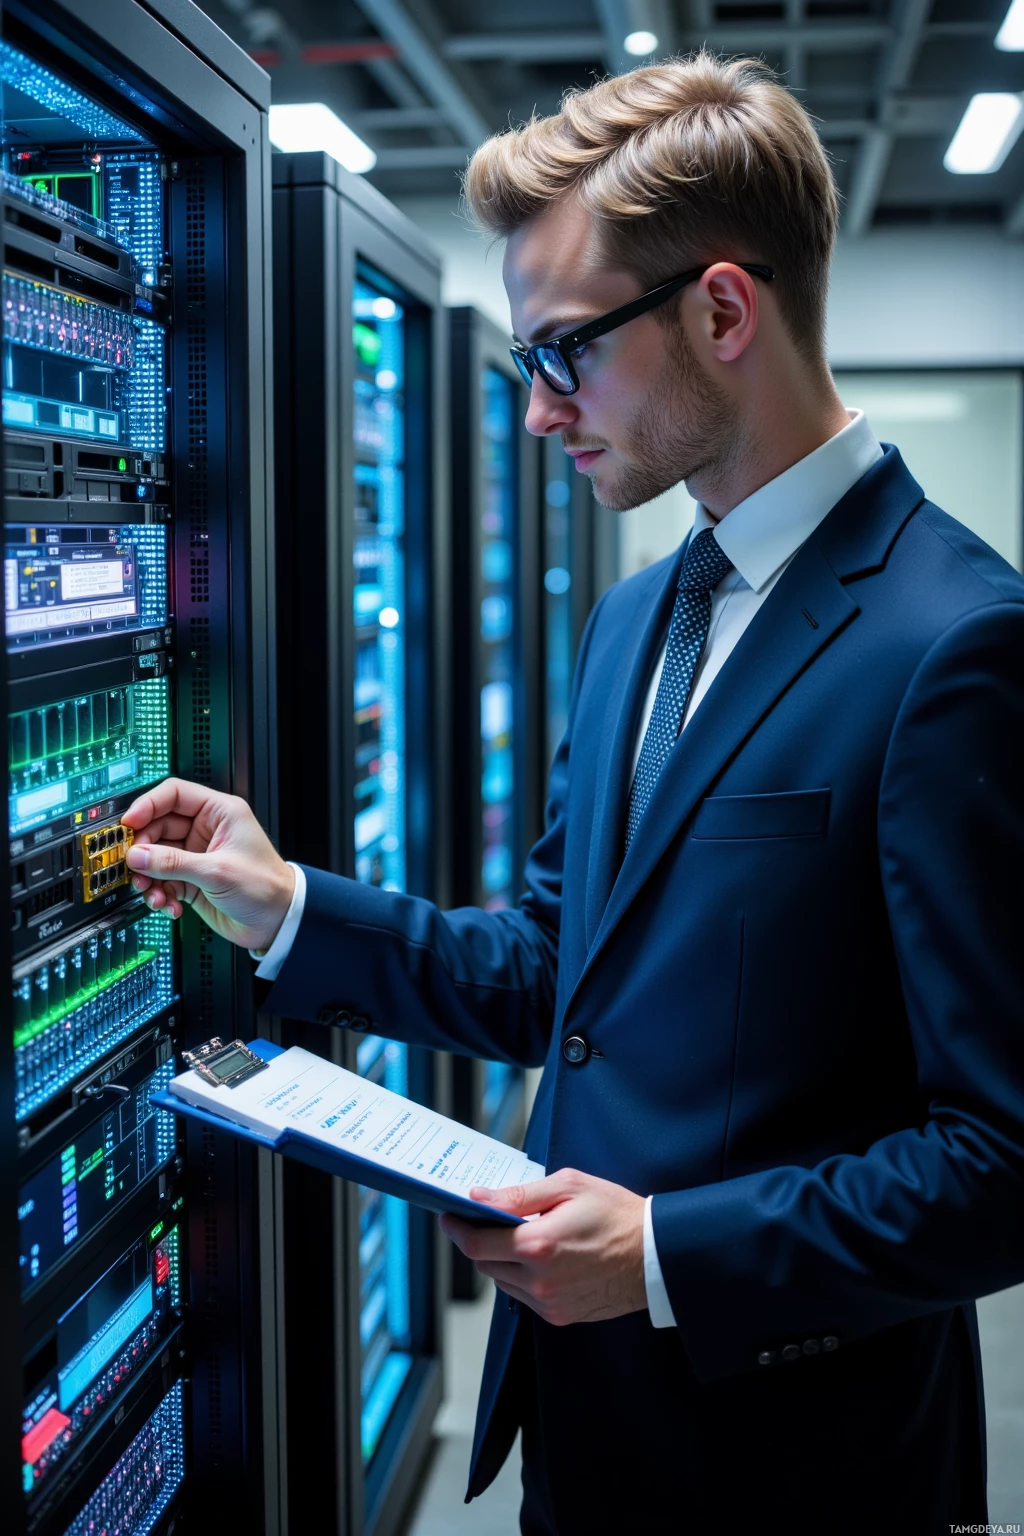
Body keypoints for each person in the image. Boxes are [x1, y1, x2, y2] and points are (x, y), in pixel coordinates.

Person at [123, 51, 1024, 1534]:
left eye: (564, 353)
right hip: (588, 1439)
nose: (540, 410)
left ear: (723, 311)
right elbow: (561, 968)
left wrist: (668, 1254)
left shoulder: (956, 642)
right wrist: (288, 906)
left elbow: (999, 1161)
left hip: (800, 1471)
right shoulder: (639, 617)